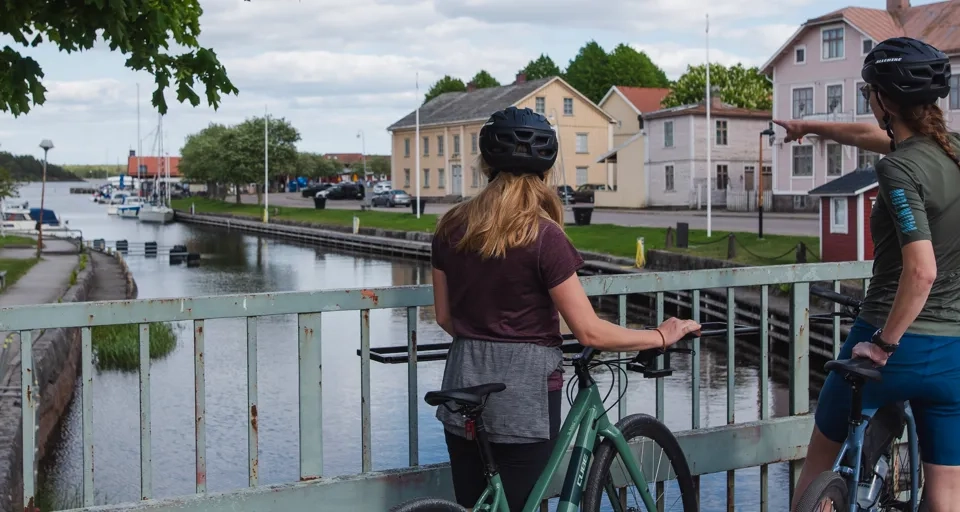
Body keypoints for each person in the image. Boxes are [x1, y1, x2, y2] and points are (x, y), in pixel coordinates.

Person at [429, 106, 701, 510]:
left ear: (485, 162)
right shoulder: (543, 236)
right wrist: (661, 335)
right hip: (525, 393)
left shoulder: (450, 226)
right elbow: (589, 332)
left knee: (476, 503)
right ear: (547, 168)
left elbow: (446, 317)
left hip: (463, 380)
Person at [776, 37, 960, 511]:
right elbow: (865, 136)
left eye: (867, 92)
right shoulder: (953, 150)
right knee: (947, 492)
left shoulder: (898, 169)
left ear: (882, 99)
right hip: (952, 351)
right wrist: (808, 126)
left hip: (892, 341)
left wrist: (881, 345)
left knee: (819, 460)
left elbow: (920, 272)